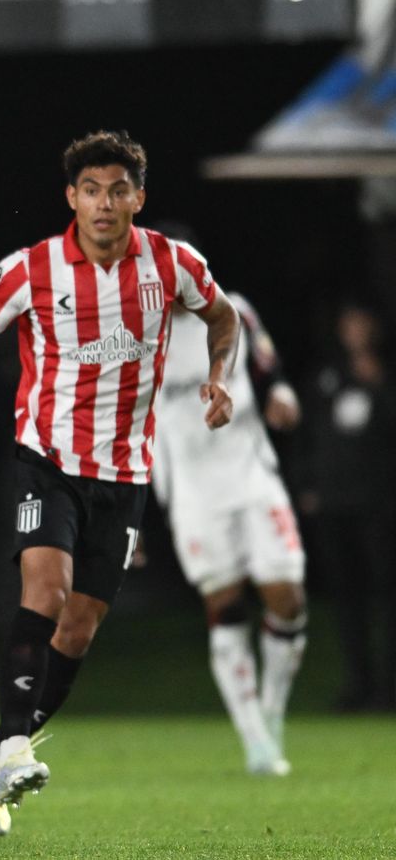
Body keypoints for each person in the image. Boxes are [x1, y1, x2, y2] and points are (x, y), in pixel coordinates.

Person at [0, 131, 240, 836]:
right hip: (48, 459)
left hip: (125, 471)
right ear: (72, 198)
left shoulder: (172, 263)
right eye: (91, 191)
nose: (105, 203)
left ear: (139, 197)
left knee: (79, 628)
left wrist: (219, 378)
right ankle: (14, 747)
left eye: (118, 190)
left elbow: (221, 318)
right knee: (46, 592)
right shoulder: (31, 269)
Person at [152, 281, 307, 775]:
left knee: (288, 596)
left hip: (252, 477)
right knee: (224, 603)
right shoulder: (139, 334)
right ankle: (255, 739)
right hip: (194, 492)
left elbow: (267, 367)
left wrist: (281, 393)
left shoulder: (234, 310)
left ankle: (272, 713)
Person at [299, 304, 396, 711]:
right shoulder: (327, 376)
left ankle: (389, 688)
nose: (354, 331)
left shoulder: (385, 373)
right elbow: (307, 435)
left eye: (362, 323)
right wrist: (305, 483)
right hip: (336, 505)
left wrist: (379, 386)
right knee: (347, 599)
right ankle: (358, 685)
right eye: (348, 324)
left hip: (380, 503)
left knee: (388, 595)